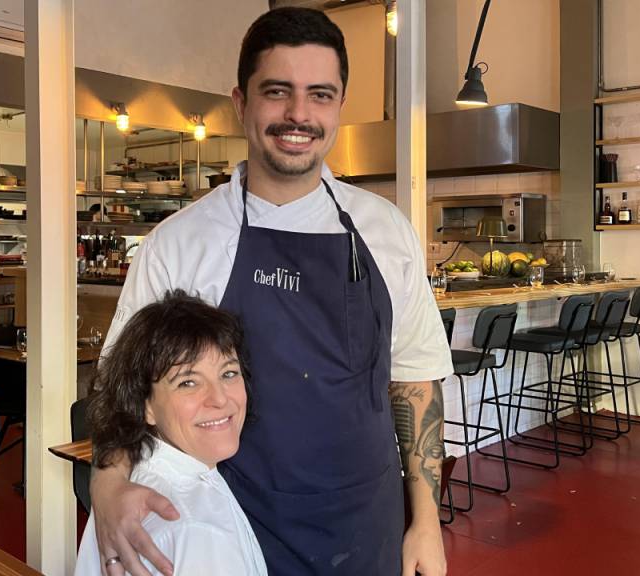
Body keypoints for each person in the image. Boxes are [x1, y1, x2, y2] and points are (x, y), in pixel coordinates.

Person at [91, 7, 453, 576]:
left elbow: (414, 381)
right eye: (277, 91)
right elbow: (121, 390)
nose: (298, 114)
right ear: (241, 103)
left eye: (320, 95)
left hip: (366, 526)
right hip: (226, 529)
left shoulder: (385, 232)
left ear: (338, 106)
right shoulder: (179, 243)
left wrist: (426, 523)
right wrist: (106, 488)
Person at [75, 291, 267, 575]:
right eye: (188, 382)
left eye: (228, 373)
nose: (220, 399)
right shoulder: (198, 530)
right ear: (144, 405)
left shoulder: (130, 487)